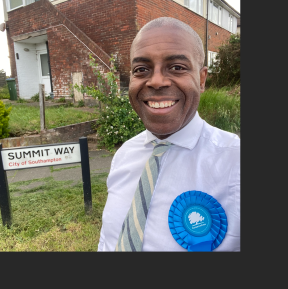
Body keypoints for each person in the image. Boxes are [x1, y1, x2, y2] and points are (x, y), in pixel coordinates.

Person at [97, 17, 240, 252]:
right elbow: (108, 241)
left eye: (177, 67)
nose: (156, 81)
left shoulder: (235, 162)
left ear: (202, 79)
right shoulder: (124, 155)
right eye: (141, 70)